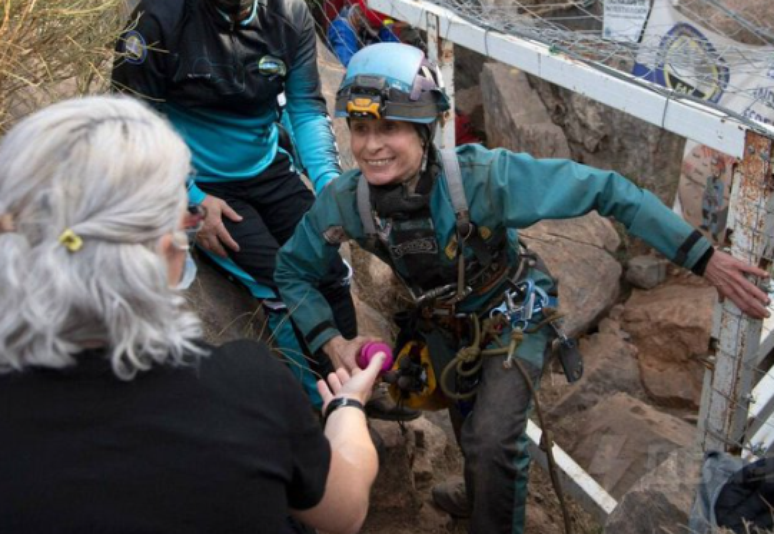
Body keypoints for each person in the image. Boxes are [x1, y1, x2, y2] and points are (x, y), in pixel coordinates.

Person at [274, 43, 772, 534]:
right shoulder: (347, 203)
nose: (371, 145)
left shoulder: (483, 180)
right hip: (444, 326)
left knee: (493, 439)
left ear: (425, 130)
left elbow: (608, 188)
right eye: (360, 128)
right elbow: (292, 269)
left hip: (514, 313)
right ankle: (479, 492)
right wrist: (331, 340)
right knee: (470, 422)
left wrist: (703, 258)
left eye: (389, 127)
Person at [0, 96, 381, 534]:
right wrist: (348, 409)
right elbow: (343, 513)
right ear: (167, 253)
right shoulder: (243, 387)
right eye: (185, 217)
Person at [111, 0, 357, 408]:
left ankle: (355, 387)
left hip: (267, 168)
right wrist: (188, 198)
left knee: (329, 268)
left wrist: (330, 186)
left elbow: (304, 106)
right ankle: (321, 405)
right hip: (198, 182)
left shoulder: (290, 13)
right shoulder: (158, 18)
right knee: (279, 277)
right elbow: (131, 124)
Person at [327, 0, 400, 68]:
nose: (377, 30)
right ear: (361, 17)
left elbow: (396, 52)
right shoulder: (341, 28)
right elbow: (348, 65)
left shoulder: (380, 25)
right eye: (374, 26)